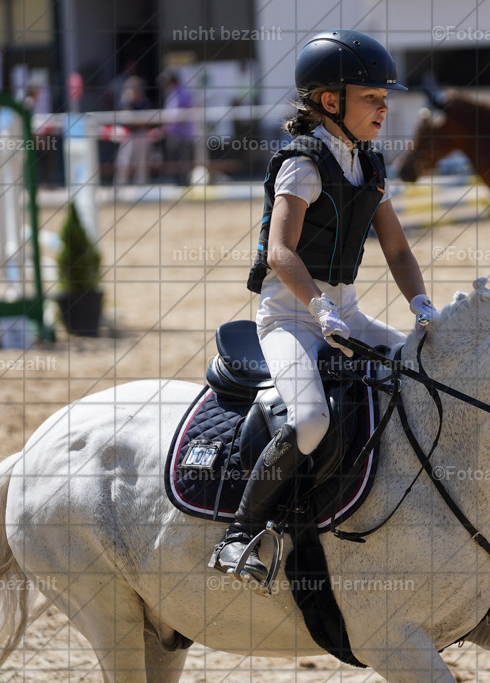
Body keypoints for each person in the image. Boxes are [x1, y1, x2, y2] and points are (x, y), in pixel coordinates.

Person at [210, 29, 440, 585]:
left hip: (346, 313)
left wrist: (424, 307)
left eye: (386, 99)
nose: (384, 108)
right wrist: (317, 308)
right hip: (289, 315)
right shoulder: (303, 164)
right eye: (371, 98)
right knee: (311, 419)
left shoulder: (368, 164)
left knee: (428, 371)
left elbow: (399, 249)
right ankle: (239, 535)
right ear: (329, 100)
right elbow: (280, 251)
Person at [113, 75, 152, 185]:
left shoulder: (144, 102)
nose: (136, 90)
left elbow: (146, 120)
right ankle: (120, 185)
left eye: (137, 88)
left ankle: (142, 184)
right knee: (123, 161)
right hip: (128, 135)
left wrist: (139, 122)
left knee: (142, 162)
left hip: (141, 134)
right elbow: (127, 119)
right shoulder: (126, 101)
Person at [159, 70, 194, 185]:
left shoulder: (182, 92)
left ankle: (184, 183)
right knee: (175, 159)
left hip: (182, 133)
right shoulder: (172, 93)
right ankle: (178, 182)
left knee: (183, 159)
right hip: (173, 133)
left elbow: (182, 112)